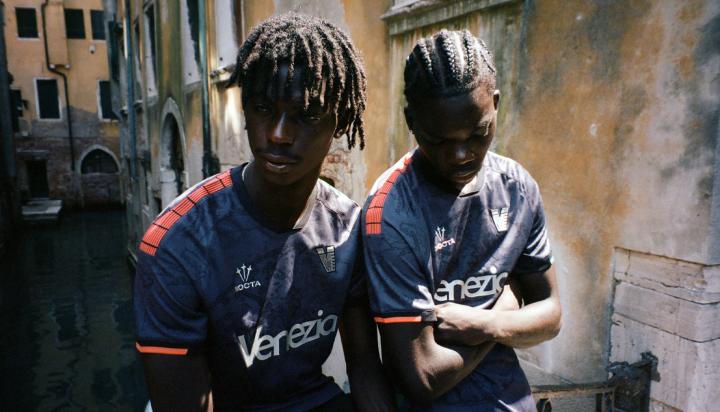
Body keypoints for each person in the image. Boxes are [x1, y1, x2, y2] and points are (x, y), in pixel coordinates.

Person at [134, 14, 393, 412]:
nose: (278, 134)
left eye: (306, 115)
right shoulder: (177, 243)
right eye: (262, 108)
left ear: (339, 122)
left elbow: (364, 368)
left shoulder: (346, 228)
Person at [362, 29, 562, 411]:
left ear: (495, 104)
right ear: (411, 121)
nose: (460, 155)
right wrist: (508, 305)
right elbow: (423, 377)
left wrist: (485, 323)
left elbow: (551, 315)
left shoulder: (517, 188)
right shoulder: (390, 214)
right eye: (439, 140)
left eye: (478, 133)